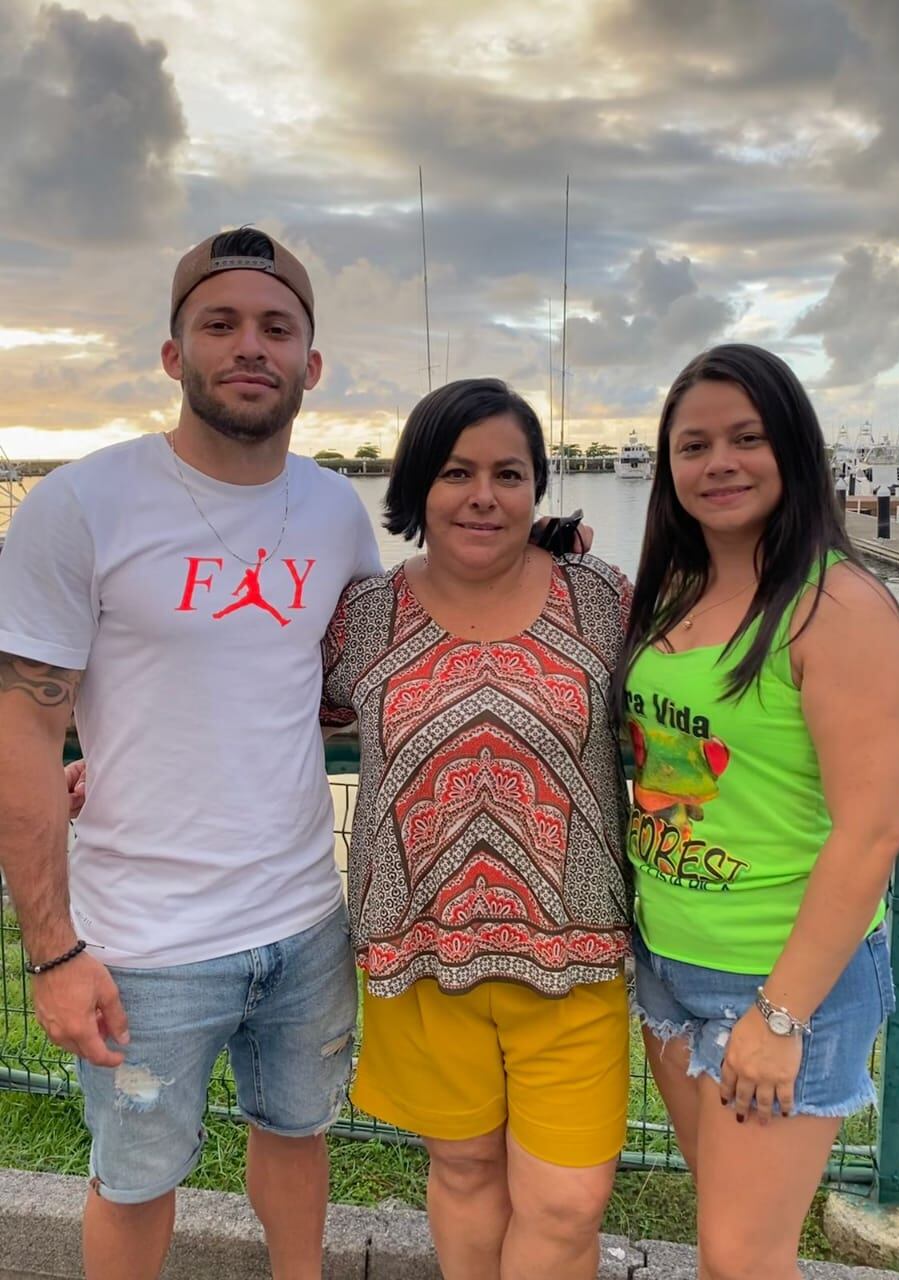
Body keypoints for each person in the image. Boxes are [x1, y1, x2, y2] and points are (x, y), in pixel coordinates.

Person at [0, 228, 383, 1280]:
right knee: (133, 1177)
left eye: (276, 326)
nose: (248, 345)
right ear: (174, 354)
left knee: (299, 1135)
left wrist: (538, 555)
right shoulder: (80, 504)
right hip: (142, 937)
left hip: (306, 910)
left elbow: (355, 674)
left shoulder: (334, 507)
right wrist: (53, 947)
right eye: (220, 323)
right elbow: (22, 725)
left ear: (312, 362)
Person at [320, 378, 633, 1280]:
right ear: (419, 485)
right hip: (421, 954)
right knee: (460, 1170)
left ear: (538, 487)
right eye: (457, 472)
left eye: (509, 472)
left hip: (573, 958)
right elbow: (276, 715)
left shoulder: (602, 600)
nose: (483, 495)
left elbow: (681, 714)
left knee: (568, 1203)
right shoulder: (365, 614)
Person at [619, 344, 899, 1280]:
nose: (720, 464)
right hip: (672, 959)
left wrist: (781, 1016)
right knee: (730, 1236)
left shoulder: (838, 607)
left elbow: (873, 831)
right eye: (693, 445)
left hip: (785, 983)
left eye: (746, 438)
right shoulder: (677, 592)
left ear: (793, 448)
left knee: (743, 1259)